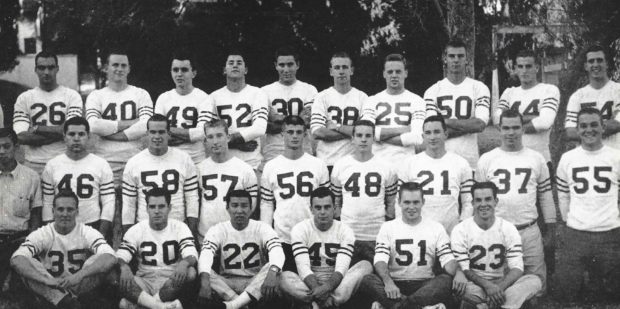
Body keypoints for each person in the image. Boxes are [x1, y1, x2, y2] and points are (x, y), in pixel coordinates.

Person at [476, 110, 556, 293]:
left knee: (537, 287)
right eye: (506, 128)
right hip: (498, 230)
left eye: (515, 127)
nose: (511, 132)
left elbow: (545, 197)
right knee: (498, 283)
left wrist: (551, 230)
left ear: (522, 129)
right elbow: (479, 201)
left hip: (528, 229)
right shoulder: (487, 159)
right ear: (499, 129)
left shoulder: (536, 158)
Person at [359, 182, 466, 309]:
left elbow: (447, 259)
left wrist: (459, 272)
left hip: (425, 285)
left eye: (416, 202)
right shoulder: (388, 227)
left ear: (423, 202)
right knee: (368, 280)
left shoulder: (435, 228)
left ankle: (395, 306)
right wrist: (388, 282)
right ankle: (420, 307)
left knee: (445, 280)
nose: (411, 207)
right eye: (407, 202)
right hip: (395, 283)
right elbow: (380, 259)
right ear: (399, 202)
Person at [553, 107, 620, 301]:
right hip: (577, 232)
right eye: (583, 126)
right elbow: (563, 195)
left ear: (603, 126)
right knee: (566, 293)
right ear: (577, 129)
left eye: (593, 125)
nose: (588, 130)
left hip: (610, 232)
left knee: (614, 293)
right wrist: (570, 221)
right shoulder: (568, 158)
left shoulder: (616, 157)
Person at [11, 190, 116, 309]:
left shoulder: (87, 231)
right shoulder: (43, 233)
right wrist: (45, 280)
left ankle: (65, 302)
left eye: (70, 209)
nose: (65, 214)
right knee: (27, 262)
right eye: (60, 209)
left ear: (77, 212)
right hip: (52, 285)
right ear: (53, 211)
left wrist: (79, 276)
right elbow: (16, 260)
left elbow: (110, 257)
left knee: (103, 259)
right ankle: (65, 301)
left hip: (79, 284)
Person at [451, 181, 541, 309]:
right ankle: (503, 304)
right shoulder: (461, 229)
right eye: (478, 200)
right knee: (456, 285)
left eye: (488, 199)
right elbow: (464, 268)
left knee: (534, 280)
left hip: (502, 284)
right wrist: (488, 287)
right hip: (476, 286)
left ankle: (487, 305)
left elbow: (517, 267)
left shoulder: (508, 228)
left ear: (496, 201)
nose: (483, 204)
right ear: (472, 203)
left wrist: (498, 288)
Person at [280, 187, 372, 308]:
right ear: (311, 209)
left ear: (334, 208)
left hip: (337, 284)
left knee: (366, 265)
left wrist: (326, 288)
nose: (322, 212)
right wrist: (318, 289)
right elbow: (303, 267)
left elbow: (341, 268)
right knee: (283, 277)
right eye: (318, 207)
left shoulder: (345, 230)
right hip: (308, 283)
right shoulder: (300, 229)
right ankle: (329, 304)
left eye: (327, 207)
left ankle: (320, 303)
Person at [261, 115, 330, 271]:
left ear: (305, 134)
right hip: (282, 237)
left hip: (312, 236)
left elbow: (326, 204)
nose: (294, 136)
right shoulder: (271, 166)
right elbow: (266, 205)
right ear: (282, 134)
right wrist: (266, 237)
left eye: (299, 132)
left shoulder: (318, 165)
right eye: (290, 132)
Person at [197, 190, 284, 309]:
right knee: (203, 270)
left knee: (275, 267)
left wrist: (273, 271)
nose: (239, 211)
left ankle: (234, 305)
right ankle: (241, 303)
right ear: (227, 208)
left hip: (254, 281)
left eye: (244, 206)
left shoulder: (262, 227)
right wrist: (205, 279)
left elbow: (277, 250)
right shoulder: (218, 229)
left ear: (250, 208)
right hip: (227, 282)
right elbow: (206, 254)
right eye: (234, 205)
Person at [115, 188, 197, 309]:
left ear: (169, 208)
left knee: (191, 272)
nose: (157, 211)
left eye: (161, 206)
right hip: (144, 281)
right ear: (147, 209)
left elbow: (192, 254)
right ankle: (160, 306)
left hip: (170, 281)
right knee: (119, 274)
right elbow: (121, 256)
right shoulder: (137, 229)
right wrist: (124, 266)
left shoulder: (180, 227)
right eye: (152, 207)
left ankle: (145, 305)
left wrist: (184, 263)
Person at [331, 120, 397, 262]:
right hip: (348, 235)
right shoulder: (341, 165)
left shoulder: (386, 166)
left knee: (377, 278)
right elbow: (336, 202)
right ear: (352, 138)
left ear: (373, 138)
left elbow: (391, 203)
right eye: (359, 135)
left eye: (368, 135)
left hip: (376, 235)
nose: (363, 139)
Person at [85, 50, 154, 186]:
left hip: (135, 158)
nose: (119, 69)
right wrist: (132, 122)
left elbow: (146, 124)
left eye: (123, 66)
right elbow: (93, 125)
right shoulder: (96, 95)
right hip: (105, 159)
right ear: (106, 68)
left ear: (129, 69)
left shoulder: (141, 94)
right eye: (115, 65)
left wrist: (109, 133)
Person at [121, 114, 199, 235]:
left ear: (169, 134)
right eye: (153, 132)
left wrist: (191, 232)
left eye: (161, 132)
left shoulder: (184, 159)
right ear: (147, 134)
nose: (157, 136)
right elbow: (129, 204)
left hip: (178, 228)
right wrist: (128, 236)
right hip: (145, 229)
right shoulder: (134, 163)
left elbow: (192, 198)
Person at [41, 117, 115, 239]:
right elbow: (48, 203)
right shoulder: (52, 165)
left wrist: (101, 233)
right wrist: (52, 235)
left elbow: (108, 202)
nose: (76, 138)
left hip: (92, 224)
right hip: (61, 227)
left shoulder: (101, 164)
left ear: (88, 136)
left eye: (81, 134)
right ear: (64, 136)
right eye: (71, 134)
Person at [398, 115, 473, 233]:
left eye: (437, 132)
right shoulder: (409, 163)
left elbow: (468, 201)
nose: (432, 137)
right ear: (423, 136)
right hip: (418, 231)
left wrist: (462, 226)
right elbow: (400, 201)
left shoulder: (461, 163)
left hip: (450, 231)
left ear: (446, 134)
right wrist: (404, 228)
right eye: (428, 133)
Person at [13, 51, 83, 175]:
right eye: (41, 68)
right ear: (35, 69)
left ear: (57, 69)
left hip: (64, 161)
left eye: (50, 67)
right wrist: (60, 132)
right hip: (33, 163)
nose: (46, 72)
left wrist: (36, 129)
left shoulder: (72, 96)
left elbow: (72, 130)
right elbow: (21, 136)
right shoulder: (24, 98)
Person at [424, 39, 490, 169]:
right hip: (439, 160)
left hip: (469, 161)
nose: (456, 60)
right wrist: (467, 126)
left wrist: (444, 121)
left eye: (460, 56)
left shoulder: (478, 88)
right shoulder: (432, 91)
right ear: (445, 59)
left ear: (467, 59)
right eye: (451, 56)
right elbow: (432, 129)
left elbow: (480, 124)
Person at [494, 50, 560, 162]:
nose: (524, 71)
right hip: (511, 159)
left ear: (537, 68)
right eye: (520, 66)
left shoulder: (549, 90)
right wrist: (533, 117)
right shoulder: (509, 92)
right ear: (515, 69)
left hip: (540, 159)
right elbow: (497, 120)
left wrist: (511, 124)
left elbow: (545, 122)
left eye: (528, 66)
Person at [196, 120, 257, 240]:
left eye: (219, 135)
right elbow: (195, 204)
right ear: (205, 141)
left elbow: (251, 206)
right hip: (205, 235)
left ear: (228, 137)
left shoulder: (245, 169)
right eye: (210, 137)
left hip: (235, 236)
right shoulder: (199, 169)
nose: (215, 141)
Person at [361, 53, 426, 164]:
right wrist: (404, 129)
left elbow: (417, 138)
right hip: (377, 162)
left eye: (398, 71)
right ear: (384, 74)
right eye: (390, 72)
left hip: (406, 162)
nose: (394, 75)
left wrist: (379, 137)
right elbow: (365, 132)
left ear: (405, 73)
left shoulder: (417, 100)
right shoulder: (372, 100)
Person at [154, 50, 217, 164]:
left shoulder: (204, 98)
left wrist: (168, 130)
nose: (179, 74)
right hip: (168, 159)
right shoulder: (163, 98)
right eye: (175, 70)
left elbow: (202, 132)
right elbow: (157, 131)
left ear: (194, 73)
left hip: (196, 160)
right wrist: (189, 136)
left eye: (184, 70)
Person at [210, 51, 269, 171]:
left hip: (252, 162)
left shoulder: (258, 93)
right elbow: (208, 134)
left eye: (239, 63)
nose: (235, 65)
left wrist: (226, 141)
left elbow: (259, 128)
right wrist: (238, 142)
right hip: (223, 164)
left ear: (245, 70)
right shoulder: (213, 97)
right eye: (231, 63)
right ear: (224, 70)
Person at [311, 52, 368, 173]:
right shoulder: (321, 97)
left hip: (354, 162)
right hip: (327, 161)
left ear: (351, 70)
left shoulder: (362, 97)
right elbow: (318, 132)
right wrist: (353, 132)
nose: (341, 71)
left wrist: (337, 127)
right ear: (331, 71)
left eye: (345, 67)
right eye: (337, 68)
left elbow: (366, 131)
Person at [0, 128, 42, 291]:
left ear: (16, 147)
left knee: (22, 292)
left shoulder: (31, 177)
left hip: (19, 241)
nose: (1, 151)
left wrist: (29, 244)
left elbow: (36, 214)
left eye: (6, 146)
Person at [261, 46, 318, 166]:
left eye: (290, 64)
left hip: (303, 149)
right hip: (273, 151)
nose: (286, 69)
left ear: (297, 65)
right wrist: (297, 119)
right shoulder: (264, 91)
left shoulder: (309, 89)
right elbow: (262, 125)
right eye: (282, 65)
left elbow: (307, 121)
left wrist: (276, 118)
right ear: (276, 65)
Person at [564, 45, 620, 149]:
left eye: (599, 60)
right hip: (587, 158)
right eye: (591, 61)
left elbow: (617, 125)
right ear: (586, 66)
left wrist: (584, 128)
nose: (595, 64)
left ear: (607, 64)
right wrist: (607, 124)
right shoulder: (578, 96)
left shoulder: (618, 90)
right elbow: (570, 132)